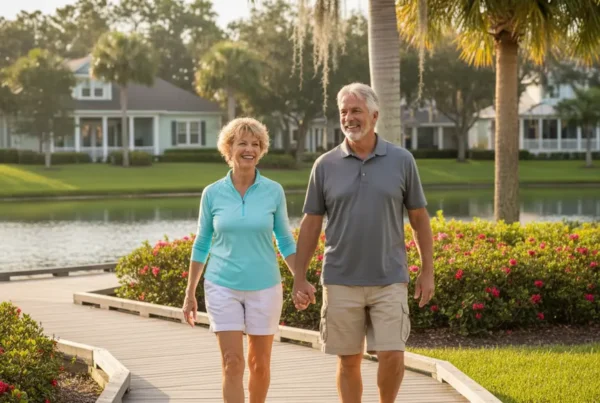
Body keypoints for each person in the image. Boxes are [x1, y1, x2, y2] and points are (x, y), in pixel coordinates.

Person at [292, 83, 435, 403]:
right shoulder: (325, 165)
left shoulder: (401, 160)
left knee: (393, 355)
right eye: (343, 111)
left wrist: (428, 270)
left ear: (374, 115)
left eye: (355, 110)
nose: (349, 118)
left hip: (390, 277)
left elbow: (419, 218)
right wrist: (299, 277)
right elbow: (311, 224)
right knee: (348, 359)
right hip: (341, 278)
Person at [181, 117, 310, 403]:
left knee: (259, 365)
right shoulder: (212, 193)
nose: (249, 149)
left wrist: (299, 278)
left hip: (265, 286)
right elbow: (202, 243)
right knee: (232, 362)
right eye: (242, 143)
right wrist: (190, 292)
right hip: (221, 285)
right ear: (229, 149)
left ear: (261, 149)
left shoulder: (273, 191)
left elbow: (285, 239)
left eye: (255, 144)